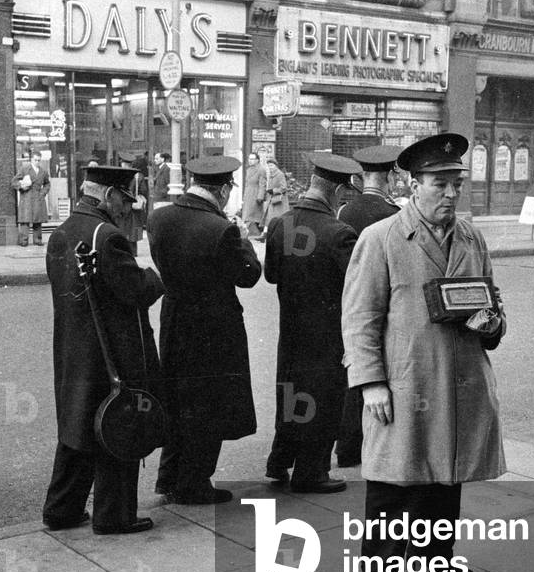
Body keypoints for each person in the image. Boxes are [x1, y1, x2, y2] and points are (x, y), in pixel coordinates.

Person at [341, 133, 507, 572]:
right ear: (414, 185)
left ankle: (438, 558)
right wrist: (371, 382)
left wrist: (492, 323)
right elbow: (359, 318)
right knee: (395, 486)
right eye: (441, 183)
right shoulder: (382, 239)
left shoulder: (473, 238)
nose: (451, 193)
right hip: (406, 383)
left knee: (446, 480)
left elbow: (491, 303)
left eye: (458, 183)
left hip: (461, 381)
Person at [42, 165, 164, 535]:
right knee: (117, 426)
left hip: (73, 350)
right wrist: (152, 277)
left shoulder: (61, 232)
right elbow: (135, 290)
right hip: (111, 351)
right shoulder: (107, 236)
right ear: (109, 195)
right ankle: (115, 515)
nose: (127, 208)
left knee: (77, 428)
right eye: (124, 199)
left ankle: (61, 509)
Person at [147, 156, 262, 504]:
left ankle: (168, 477)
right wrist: (242, 238)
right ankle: (194, 483)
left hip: (175, 320)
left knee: (178, 399)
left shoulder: (159, 218)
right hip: (214, 328)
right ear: (224, 189)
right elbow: (248, 275)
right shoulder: (221, 229)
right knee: (209, 406)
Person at [264, 152, 361, 493]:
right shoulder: (339, 233)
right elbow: (356, 287)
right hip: (326, 335)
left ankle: (279, 460)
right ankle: (312, 472)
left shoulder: (280, 223)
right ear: (336, 192)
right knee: (323, 399)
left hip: (290, 331)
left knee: (291, 394)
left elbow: (272, 275)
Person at [334, 145, 403, 468]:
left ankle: (346, 449)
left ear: (361, 177)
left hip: (350, 303)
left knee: (354, 372)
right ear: (389, 176)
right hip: (383, 304)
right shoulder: (395, 214)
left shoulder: (345, 211)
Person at [12, 150, 50, 246]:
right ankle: (23, 241)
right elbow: (14, 181)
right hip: (27, 196)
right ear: (31, 160)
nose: (37, 162)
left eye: (39, 160)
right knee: (25, 220)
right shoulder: (25, 169)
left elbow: (47, 183)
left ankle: (37, 240)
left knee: (38, 220)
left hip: (38, 196)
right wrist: (21, 186)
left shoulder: (43, 172)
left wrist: (43, 193)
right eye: (35, 160)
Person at [117, 152, 147, 256]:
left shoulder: (120, 175)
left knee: (122, 228)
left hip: (123, 206)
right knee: (134, 229)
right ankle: (134, 252)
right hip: (135, 206)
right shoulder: (139, 175)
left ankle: (124, 251)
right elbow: (144, 191)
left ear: (123, 164)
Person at [241, 152, 267, 240]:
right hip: (248, 194)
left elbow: (262, 184)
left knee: (251, 216)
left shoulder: (261, 169)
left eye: (252, 159)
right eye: (249, 159)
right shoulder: (249, 169)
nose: (250, 161)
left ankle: (244, 235)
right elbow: (247, 184)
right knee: (253, 216)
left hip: (255, 195)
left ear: (257, 160)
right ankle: (263, 233)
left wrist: (260, 196)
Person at [262, 157, 290, 228]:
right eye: (268, 166)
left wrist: (273, 191)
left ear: (275, 166)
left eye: (271, 165)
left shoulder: (280, 174)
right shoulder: (271, 174)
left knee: (277, 219)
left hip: (279, 201)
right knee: (271, 218)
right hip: (273, 200)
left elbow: (284, 188)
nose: (270, 167)